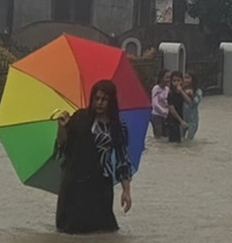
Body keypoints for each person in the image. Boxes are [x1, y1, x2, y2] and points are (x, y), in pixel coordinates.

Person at [55, 80, 132, 234]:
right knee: (72, 232)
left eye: (104, 99)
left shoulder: (118, 126)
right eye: (96, 98)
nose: (99, 103)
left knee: (102, 231)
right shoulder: (79, 118)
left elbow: (122, 160)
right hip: (75, 184)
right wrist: (62, 127)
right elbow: (62, 145)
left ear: (111, 101)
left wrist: (126, 191)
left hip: (101, 185)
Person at [166, 71, 188, 143]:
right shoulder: (171, 94)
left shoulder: (182, 92)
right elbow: (172, 109)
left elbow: (189, 101)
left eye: (179, 80)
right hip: (173, 120)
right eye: (174, 81)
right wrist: (181, 121)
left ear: (182, 81)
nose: (176, 83)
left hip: (180, 119)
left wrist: (181, 91)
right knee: (174, 142)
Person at [150, 70, 170, 139]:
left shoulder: (167, 89)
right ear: (161, 78)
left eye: (169, 77)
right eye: (167, 77)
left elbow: (167, 101)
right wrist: (163, 112)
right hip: (157, 115)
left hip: (166, 116)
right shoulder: (156, 88)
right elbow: (155, 103)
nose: (169, 80)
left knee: (166, 136)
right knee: (158, 136)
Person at [182, 72, 203, 141]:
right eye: (184, 78)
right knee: (180, 140)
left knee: (189, 141)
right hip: (182, 119)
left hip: (193, 121)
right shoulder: (180, 90)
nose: (186, 80)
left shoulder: (198, 91)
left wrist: (191, 95)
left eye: (188, 78)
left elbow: (193, 104)